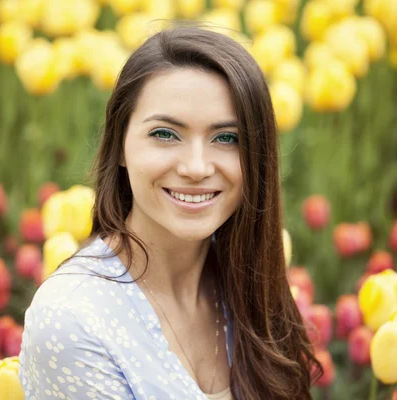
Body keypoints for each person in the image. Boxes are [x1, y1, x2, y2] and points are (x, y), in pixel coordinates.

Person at [19, 25, 321, 400]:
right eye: (165, 134)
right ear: (119, 147)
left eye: (227, 138)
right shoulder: (73, 319)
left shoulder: (247, 286)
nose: (196, 167)